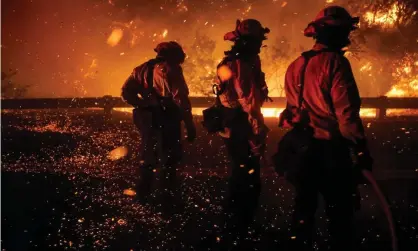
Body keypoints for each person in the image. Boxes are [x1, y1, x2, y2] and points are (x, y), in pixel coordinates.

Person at [279, 6, 373, 251]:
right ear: (336, 33)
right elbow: (347, 114)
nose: (347, 37)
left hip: (301, 149)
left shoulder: (295, 65)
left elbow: (292, 109)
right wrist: (360, 148)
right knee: (340, 215)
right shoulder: (336, 64)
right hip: (330, 151)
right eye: (344, 31)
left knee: (303, 212)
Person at [214, 19, 270, 249]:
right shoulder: (241, 65)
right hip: (241, 126)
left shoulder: (232, 62)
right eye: (257, 41)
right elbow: (248, 102)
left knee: (240, 176)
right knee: (247, 180)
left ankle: (234, 226)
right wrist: (257, 135)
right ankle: (240, 229)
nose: (259, 46)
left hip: (231, 125)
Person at [121, 41, 196, 211]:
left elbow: (126, 91)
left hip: (147, 118)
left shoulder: (141, 68)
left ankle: (143, 196)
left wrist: (142, 105)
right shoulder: (171, 69)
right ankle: (167, 200)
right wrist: (189, 124)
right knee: (169, 158)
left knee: (148, 156)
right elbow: (180, 98)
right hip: (167, 117)